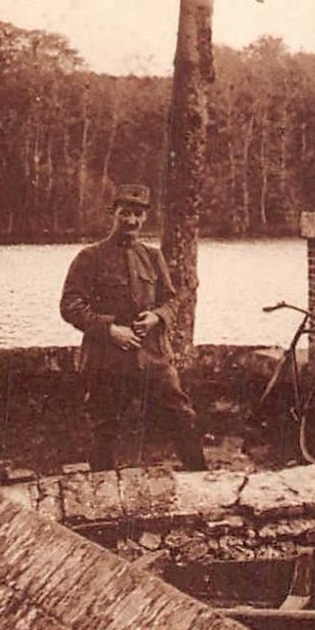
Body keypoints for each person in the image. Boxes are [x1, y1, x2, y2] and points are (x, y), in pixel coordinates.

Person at [59, 184, 207, 473]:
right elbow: (70, 306)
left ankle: (203, 480)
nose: (131, 221)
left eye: (138, 214)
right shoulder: (90, 257)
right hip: (108, 361)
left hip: (152, 357)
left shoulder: (152, 257)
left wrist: (157, 316)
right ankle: (100, 493)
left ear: (144, 218)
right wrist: (110, 329)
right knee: (105, 428)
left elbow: (172, 299)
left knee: (182, 416)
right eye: (125, 213)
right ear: (112, 214)